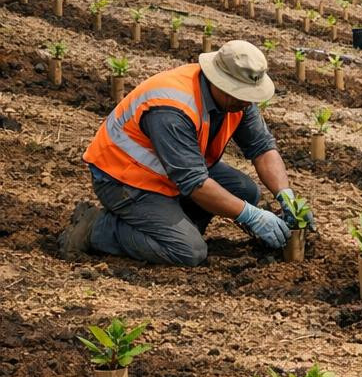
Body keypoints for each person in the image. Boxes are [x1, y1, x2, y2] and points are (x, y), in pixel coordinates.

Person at [58, 41, 303, 266]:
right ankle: (97, 228)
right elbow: (194, 182)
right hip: (125, 179)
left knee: (244, 191)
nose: (248, 103)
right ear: (219, 83)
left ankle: (170, 226)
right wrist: (251, 216)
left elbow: (262, 149)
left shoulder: (238, 101)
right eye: (241, 94)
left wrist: (286, 196)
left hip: (171, 172)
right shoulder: (172, 107)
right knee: (189, 251)